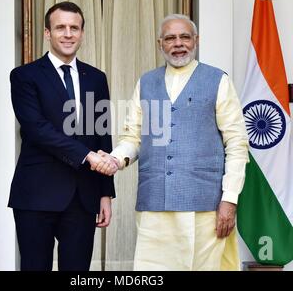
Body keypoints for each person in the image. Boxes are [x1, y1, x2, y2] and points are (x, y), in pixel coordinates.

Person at [96, 14, 249, 270]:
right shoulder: (146, 82)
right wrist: (115, 159)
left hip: (204, 206)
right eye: (170, 38)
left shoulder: (218, 80)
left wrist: (229, 199)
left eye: (184, 37)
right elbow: (133, 137)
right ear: (160, 44)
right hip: (154, 205)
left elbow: (236, 143)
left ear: (196, 41)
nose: (178, 43)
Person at [8, 1, 117, 271]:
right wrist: (87, 155)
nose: (68, 34)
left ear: (81, 33)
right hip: (36, 195)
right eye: (60, 28)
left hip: (83, 197)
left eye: (74, 28)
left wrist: (106, 194)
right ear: (48, 33)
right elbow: (37, 129)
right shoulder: (24, 76)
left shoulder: (96, 78)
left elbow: (102, 135)